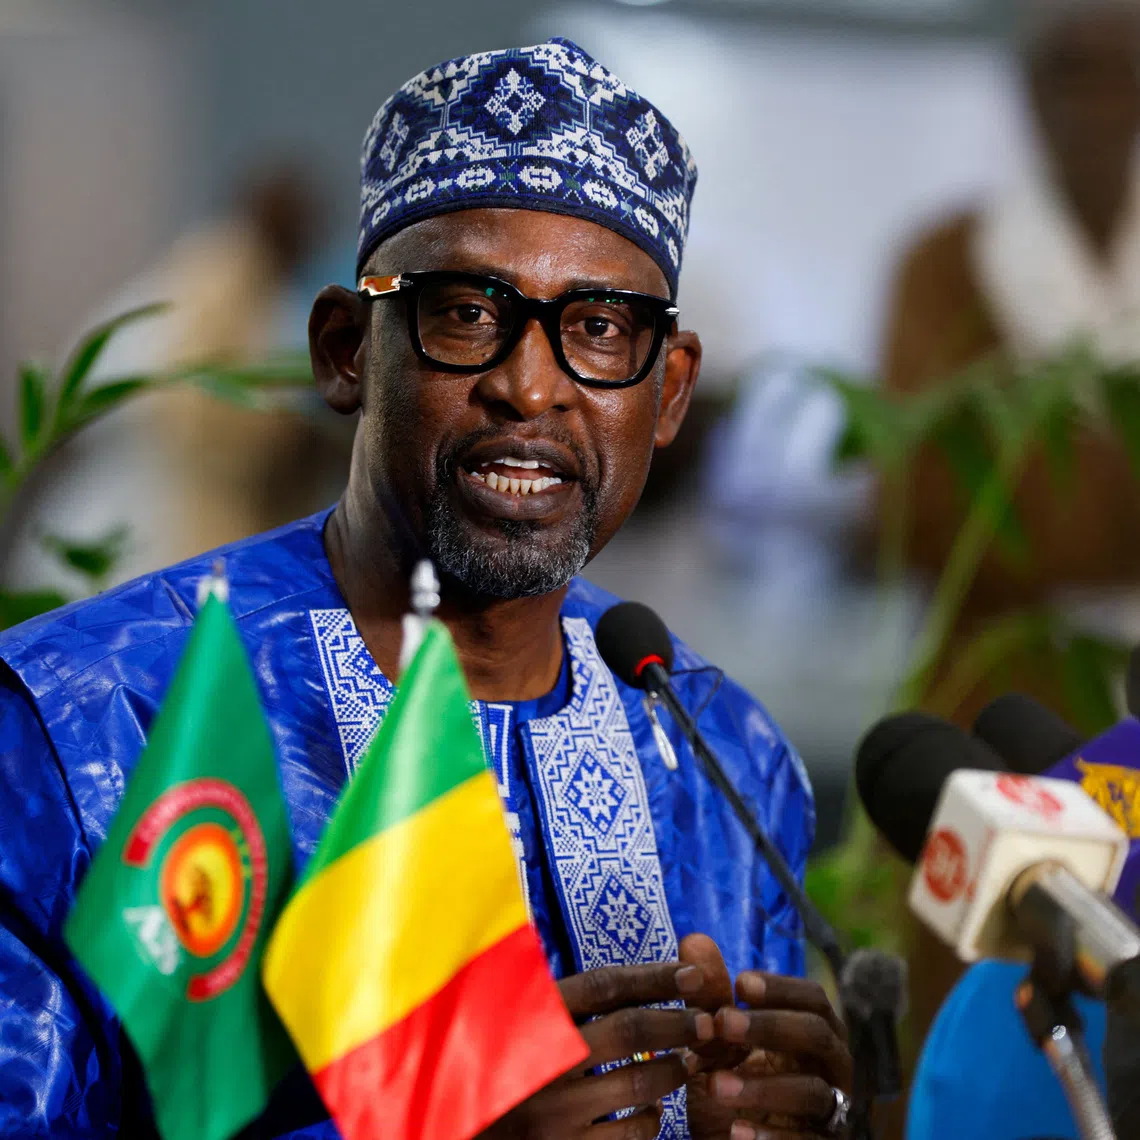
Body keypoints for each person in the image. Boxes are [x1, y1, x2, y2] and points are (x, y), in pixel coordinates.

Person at [0, 38, 850, 1140]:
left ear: (669, 392)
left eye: (599, 330)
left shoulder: (723, 756)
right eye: (466, 314)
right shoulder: (85, 724)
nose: (528, 384)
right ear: (347, 350)